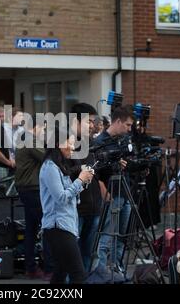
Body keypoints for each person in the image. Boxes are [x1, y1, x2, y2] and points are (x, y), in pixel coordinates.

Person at [40, 127, 94, 284]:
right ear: (58, 144)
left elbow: (72, 198)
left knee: (60, 272)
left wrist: (84, 182)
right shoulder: (50, 167)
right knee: (78, 274)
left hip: (65, 225)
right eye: (69, 143)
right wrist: (80, 180)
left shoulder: (59, 167)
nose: (72, 147)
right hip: (58, 227)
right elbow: (62, 198)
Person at [93, 106, 133, 271]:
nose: (130, 129)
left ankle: (118, 268)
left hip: (125, 192)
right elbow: (94, 170)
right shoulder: (100, 142)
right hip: (111, 193)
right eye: (128, 125)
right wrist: (103, 189)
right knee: (107, 236)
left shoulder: (123, 140)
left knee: (122, 236)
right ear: (117, 121)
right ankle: (101, 271)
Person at [15, 119, 53, 280]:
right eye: (43, 129)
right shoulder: (30, 140)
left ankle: (30, 267)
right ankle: (49, 268)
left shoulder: (25, 138)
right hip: (32, 188)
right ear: (35, 127)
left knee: (31, 229)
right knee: (48, 226)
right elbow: (47, 158)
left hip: (27, 187)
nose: (44, 132)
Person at [66, 103, 102, 272]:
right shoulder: (65, 143)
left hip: (94, 207)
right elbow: (60, 171)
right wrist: (79, 170)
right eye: (89, 121)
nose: (92, 125)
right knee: (72, 255)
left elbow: (97, 171)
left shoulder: (91, 143)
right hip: (76, 208)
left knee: (87, 252)